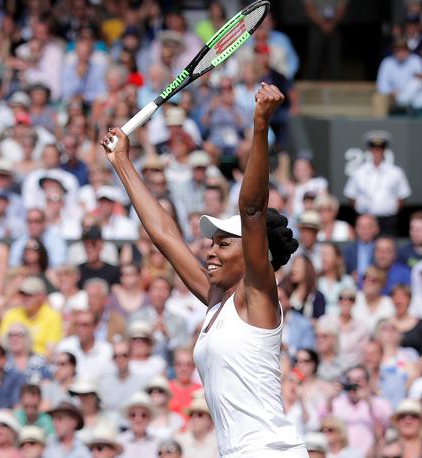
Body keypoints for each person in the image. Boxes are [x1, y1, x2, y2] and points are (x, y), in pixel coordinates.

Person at [103, 83, 306, 456]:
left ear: (254, 253)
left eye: (224, 244)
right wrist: (122, 164)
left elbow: (252, 212)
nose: (210, 251)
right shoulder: (217, 300)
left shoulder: (258, 295)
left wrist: (260, 125)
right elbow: (165, 236)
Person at [343, 130, 411, 235]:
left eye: (380, 149)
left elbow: (402, 195)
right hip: (365, 219)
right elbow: (351, 195)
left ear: (384, 151)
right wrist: (360, 208)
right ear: (370, 150)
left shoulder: (396, 172)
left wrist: (392, 209)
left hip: (387, 220)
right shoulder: (359, 172)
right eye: (374, 149)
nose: (377, 153)